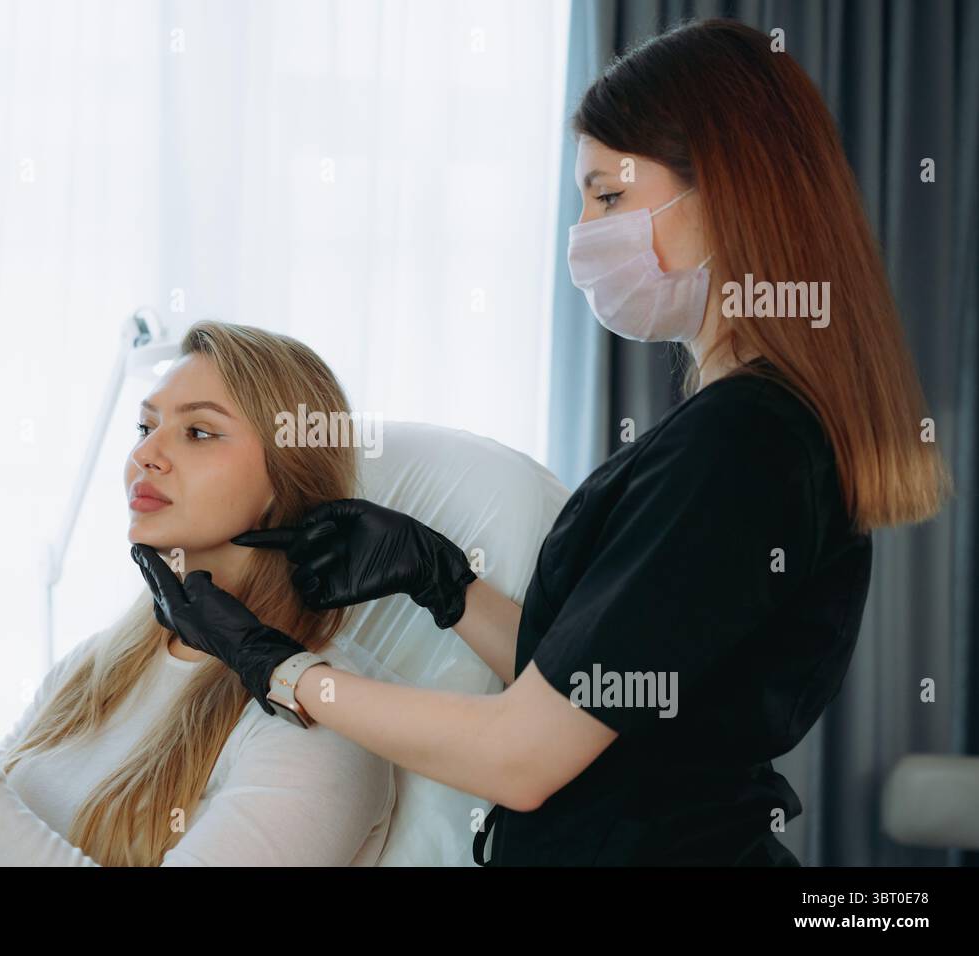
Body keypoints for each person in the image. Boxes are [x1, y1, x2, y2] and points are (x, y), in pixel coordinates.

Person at [131, 19, 953, 866]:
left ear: (723, 195)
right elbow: (595, 689)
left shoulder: (741, 446)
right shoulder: (744, 431)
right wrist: (440, 579)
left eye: (607, 197)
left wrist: (275, 666)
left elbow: (520, 756)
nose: (585, 233)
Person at [0, 320, 395, 866]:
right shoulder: (98, 664)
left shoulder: (326, 720)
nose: (144, 454)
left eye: (198, 432)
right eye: (145, 427)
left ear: (287, 483)